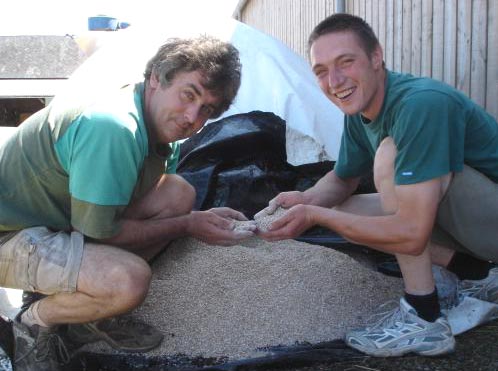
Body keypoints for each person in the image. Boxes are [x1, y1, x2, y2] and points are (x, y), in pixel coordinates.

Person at [0, 35, 255, 370]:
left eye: (206, 109)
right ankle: (35, 319)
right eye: (188, 94)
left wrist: (192, 217)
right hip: (11, 235)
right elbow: (102, 234)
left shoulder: (160, 132)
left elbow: (149, 207)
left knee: (179, 193)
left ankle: (83, 311)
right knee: (129, 282)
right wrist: (190, 224)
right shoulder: (115, 127)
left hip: (56, 221)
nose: (192, 117)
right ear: (156, 78)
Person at [257, 13, 498, 357]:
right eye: (321, 71)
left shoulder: (420, 104)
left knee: (389, 158)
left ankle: (424, 317)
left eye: (346, 62)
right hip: (477, 227)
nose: (335, 80)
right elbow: (342, 179)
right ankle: (476, 274)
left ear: (376, 57)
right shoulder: (359, 114)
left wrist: (315, 216)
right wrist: (306, 200)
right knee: (342, 207)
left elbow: (412, 233)